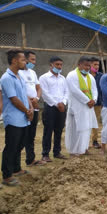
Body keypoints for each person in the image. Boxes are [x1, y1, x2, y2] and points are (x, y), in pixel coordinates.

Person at [1, 49, 33, 186]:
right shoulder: (7, 78)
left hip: (23, 117)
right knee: (11, 146)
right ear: (14, 60)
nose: (25, 62)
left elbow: (24, 95)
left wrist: (30, 108)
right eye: (23, 59)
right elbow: (13, 99)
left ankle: (16, 168)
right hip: (14, 118)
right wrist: (27, 111)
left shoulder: (19, 76)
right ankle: (7, 176)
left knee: (20, 145)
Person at [65, 56, 98, 156]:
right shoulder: (72, 75)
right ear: (79, 65)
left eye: (89, 66)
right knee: (75, 129)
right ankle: (74, 150)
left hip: (88, 107)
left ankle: (84, 148)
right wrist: (87, 100)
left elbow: (94, 90)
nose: (87, 68)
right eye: (85, 65)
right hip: (77, 106)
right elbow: (75, 91)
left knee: (87, 128)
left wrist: (94, 100)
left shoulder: (90, 77)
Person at [18, 51, 45, 166]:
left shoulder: (33, 73)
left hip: (34, 107)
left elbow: (38, 88)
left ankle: (30, 159)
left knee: (31, 136)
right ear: (25, 59)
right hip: (24, 108)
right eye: (32, 60)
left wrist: (37, 99)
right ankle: (15, 163)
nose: (34, 62)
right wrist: (30, 101)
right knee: (21, 137)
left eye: (35, 60)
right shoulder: (18, 73)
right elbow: (19, 91)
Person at [39, 56, 68, 162]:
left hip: (62, 108)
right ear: (51, 64)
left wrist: (63, 103)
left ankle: (57, 152)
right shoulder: (44, 78)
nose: (59, 67)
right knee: (48, 131)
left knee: (59, 130)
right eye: (57, 64)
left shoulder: (63, 78)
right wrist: (57, 104)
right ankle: (45, 154)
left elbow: (66, 92)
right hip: (50, 107)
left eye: (61, 65)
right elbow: (45, 93)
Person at [89, 57, 103, 149]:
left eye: (98, 65)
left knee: (95, 122)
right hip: (86, 103)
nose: (97, 66)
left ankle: (95, 141)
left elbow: (102, 90)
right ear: (90, 65)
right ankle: (85, 141)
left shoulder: (101, 76)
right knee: (86, 122)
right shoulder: (85, 75)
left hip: (97, 103)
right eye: (95, 64)